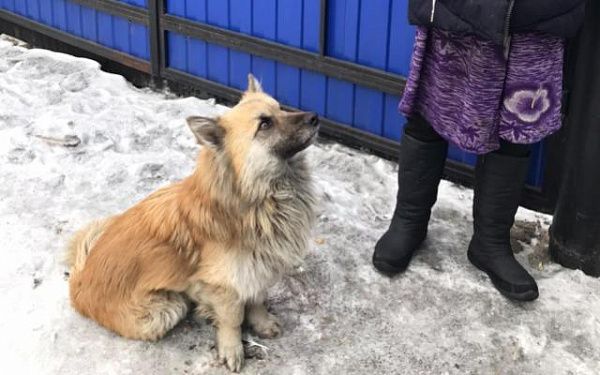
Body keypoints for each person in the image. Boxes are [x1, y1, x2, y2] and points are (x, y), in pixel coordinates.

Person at [373, 0, 586, 301]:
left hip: (537, 17)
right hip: (455, 13)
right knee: (430, 111)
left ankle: (490, 243)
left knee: (517, 127)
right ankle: (410, 220)